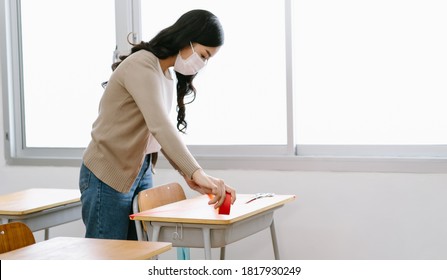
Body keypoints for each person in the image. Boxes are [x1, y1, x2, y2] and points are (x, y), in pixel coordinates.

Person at [79, 9, 236, 240]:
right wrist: (196, 171)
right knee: (108, 259)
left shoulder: (165, 75)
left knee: (137, 256)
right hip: (108, 171)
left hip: (139, 170)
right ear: (187, 40)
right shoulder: (142, 64)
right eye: (203, 55)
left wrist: (190, 176)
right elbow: (160, 126)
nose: (202, 63)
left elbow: (157, 135)